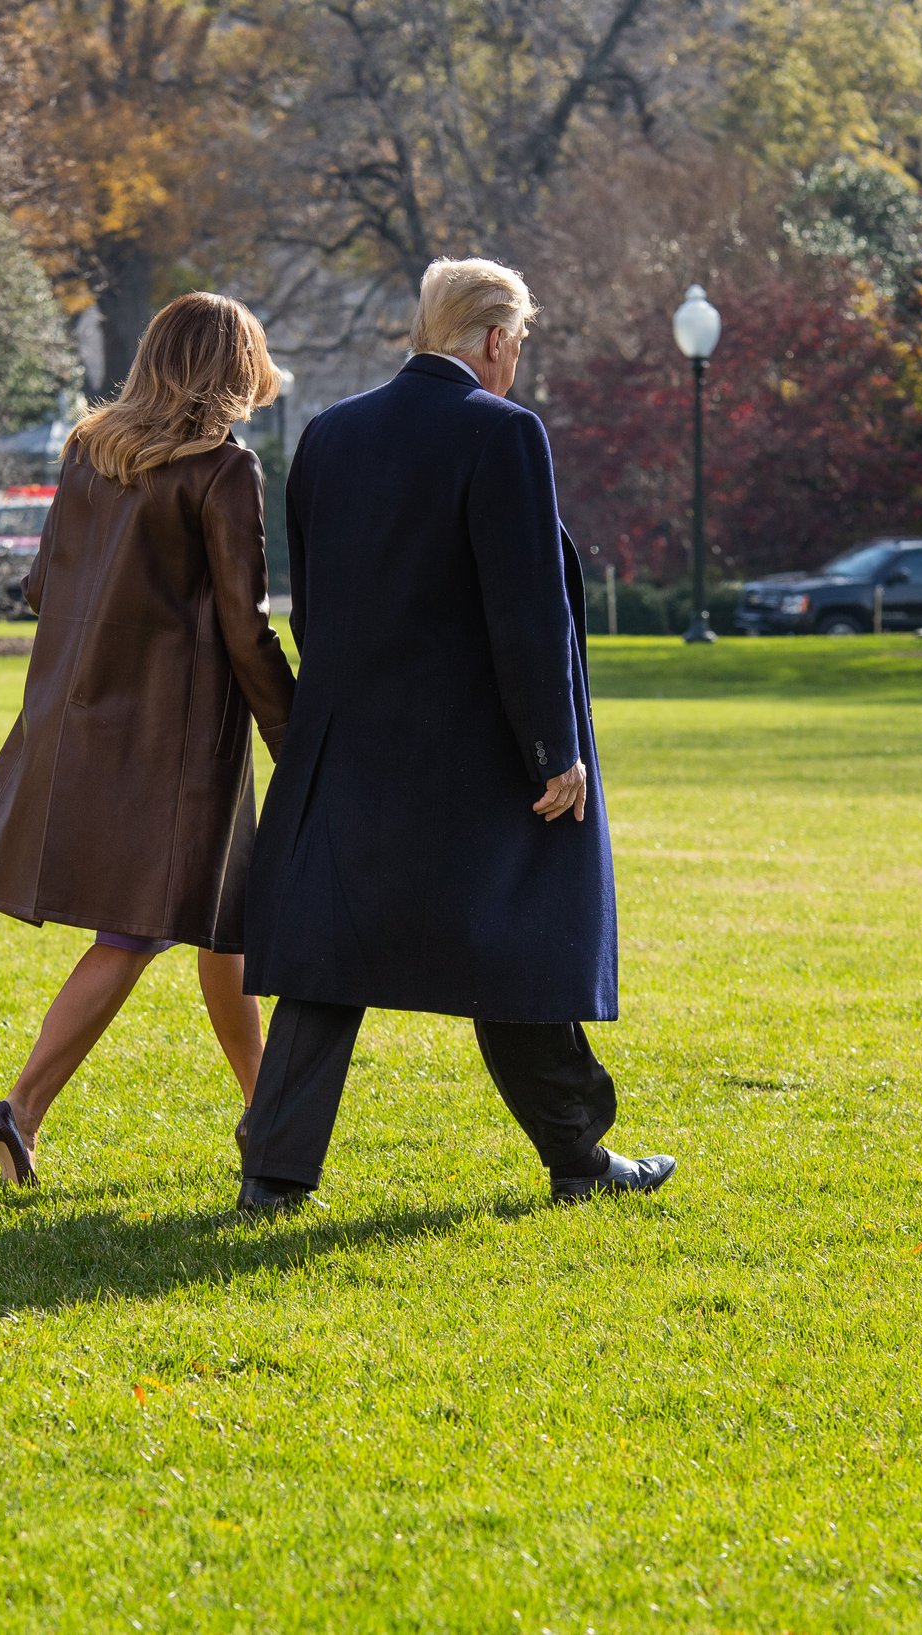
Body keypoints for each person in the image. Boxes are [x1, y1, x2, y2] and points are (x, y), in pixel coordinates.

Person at [235, 257, 676, 1213]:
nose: (516, 358)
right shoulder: (504, 433)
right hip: (475, 754)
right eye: (517, 340)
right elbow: (526, 612)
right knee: (515, 947)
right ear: (492, 339)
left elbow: (313, 600)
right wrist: (553, 748)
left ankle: (272, 1175)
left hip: (349, 746)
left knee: (326, 959)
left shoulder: (328, 433)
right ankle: (577, 1156)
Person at [0, 292, 296, 1188]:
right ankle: (19, 1107)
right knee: (135, 932)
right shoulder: (225, 470)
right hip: (176, 742)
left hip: (86, 715)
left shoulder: (87, 452)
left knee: (225, 918)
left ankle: (269, 1111)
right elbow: (245, 626)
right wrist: (294, 735)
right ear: (230, 367)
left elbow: (36, 586)